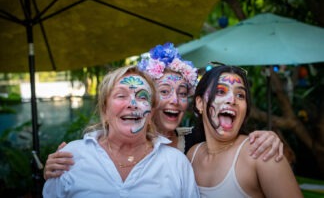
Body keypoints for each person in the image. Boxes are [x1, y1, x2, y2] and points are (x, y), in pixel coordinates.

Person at [43, 42, 283, 180]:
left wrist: (267, 137)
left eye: (182, 93)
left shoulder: (198, 140)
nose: (176, 101)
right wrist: (59, 167)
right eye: (165, 91)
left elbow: (231, 145)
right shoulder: (108, 145)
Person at [43, 66, 199, 197]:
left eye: (142, 97)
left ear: (151, 112)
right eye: (121, 95)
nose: (132, 104)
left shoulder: (177, 163)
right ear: (104, 109)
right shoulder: (71, 157)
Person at [187, 64, 303, 197]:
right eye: (220, 91)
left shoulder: (262, 152)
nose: (232, 100)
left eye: (240, 95)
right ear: (200, 103)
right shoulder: (192, 155)